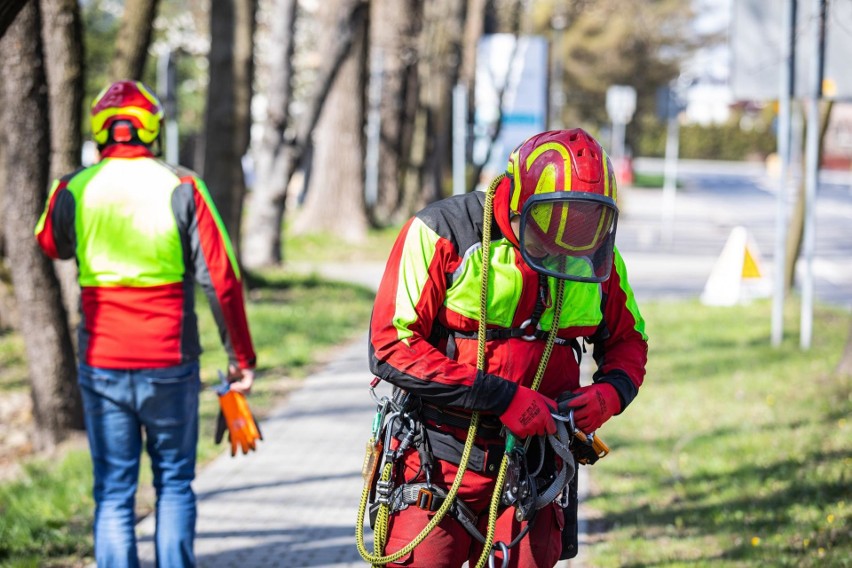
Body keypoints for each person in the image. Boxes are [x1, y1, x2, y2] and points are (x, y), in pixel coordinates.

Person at [366, 128, 648, 567]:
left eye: (581, 224)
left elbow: (629, 340)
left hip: (535, 470)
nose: (565, 244)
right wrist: (502, 397)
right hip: (438, 460)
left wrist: (610, 394)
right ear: (517, 200)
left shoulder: (594, 255)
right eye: (552, 223)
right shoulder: (443, 233)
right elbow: (390, 345)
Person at [34, 80, 257, 567]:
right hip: (170, 363)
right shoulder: (182, 185)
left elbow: (51, 243)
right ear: (152, 127)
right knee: (174, 482)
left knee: (114, 494)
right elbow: (221, 279)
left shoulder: (75, 187)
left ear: (100, 129)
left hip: (103, 363)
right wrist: (241, 358)